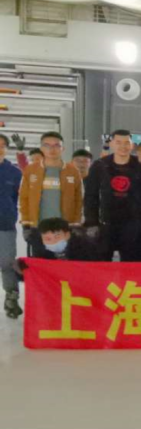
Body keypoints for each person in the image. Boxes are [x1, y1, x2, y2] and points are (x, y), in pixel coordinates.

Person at [84, 129, 141, 261]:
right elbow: (90, 196)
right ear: (111, 144)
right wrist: (91, 222)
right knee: (102, 265)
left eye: (126, 142)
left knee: (131, 266)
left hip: (133, 225)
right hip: (106, 223)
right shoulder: (100, 166)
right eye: (118, 142)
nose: (123, 146)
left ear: (132, 145)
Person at [19, 132, 83, 244]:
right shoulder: (31, 170)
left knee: (63, 255)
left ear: (63, 148)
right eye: (47, 145)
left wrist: (76, 223)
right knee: (40, 255)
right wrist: (26, 224)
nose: (52, 149)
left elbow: (79, 199)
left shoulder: (73, 171)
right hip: (38, 226)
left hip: (64, 227)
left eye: (56, 145)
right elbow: (24, 198)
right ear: (41, 148)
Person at [0, 134, 22, 317]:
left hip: (5, 224)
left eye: (2, 145)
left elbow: (17, 197)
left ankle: (11, 298)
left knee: (7, 262)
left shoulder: (14, 172)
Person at [23, 217, 98, 261]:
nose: (53, 241)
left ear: (67, 234)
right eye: (48, 239)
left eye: (57, 237)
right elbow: (31, 273)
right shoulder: (40, 252)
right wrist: (20, 269)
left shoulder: (85, 248)